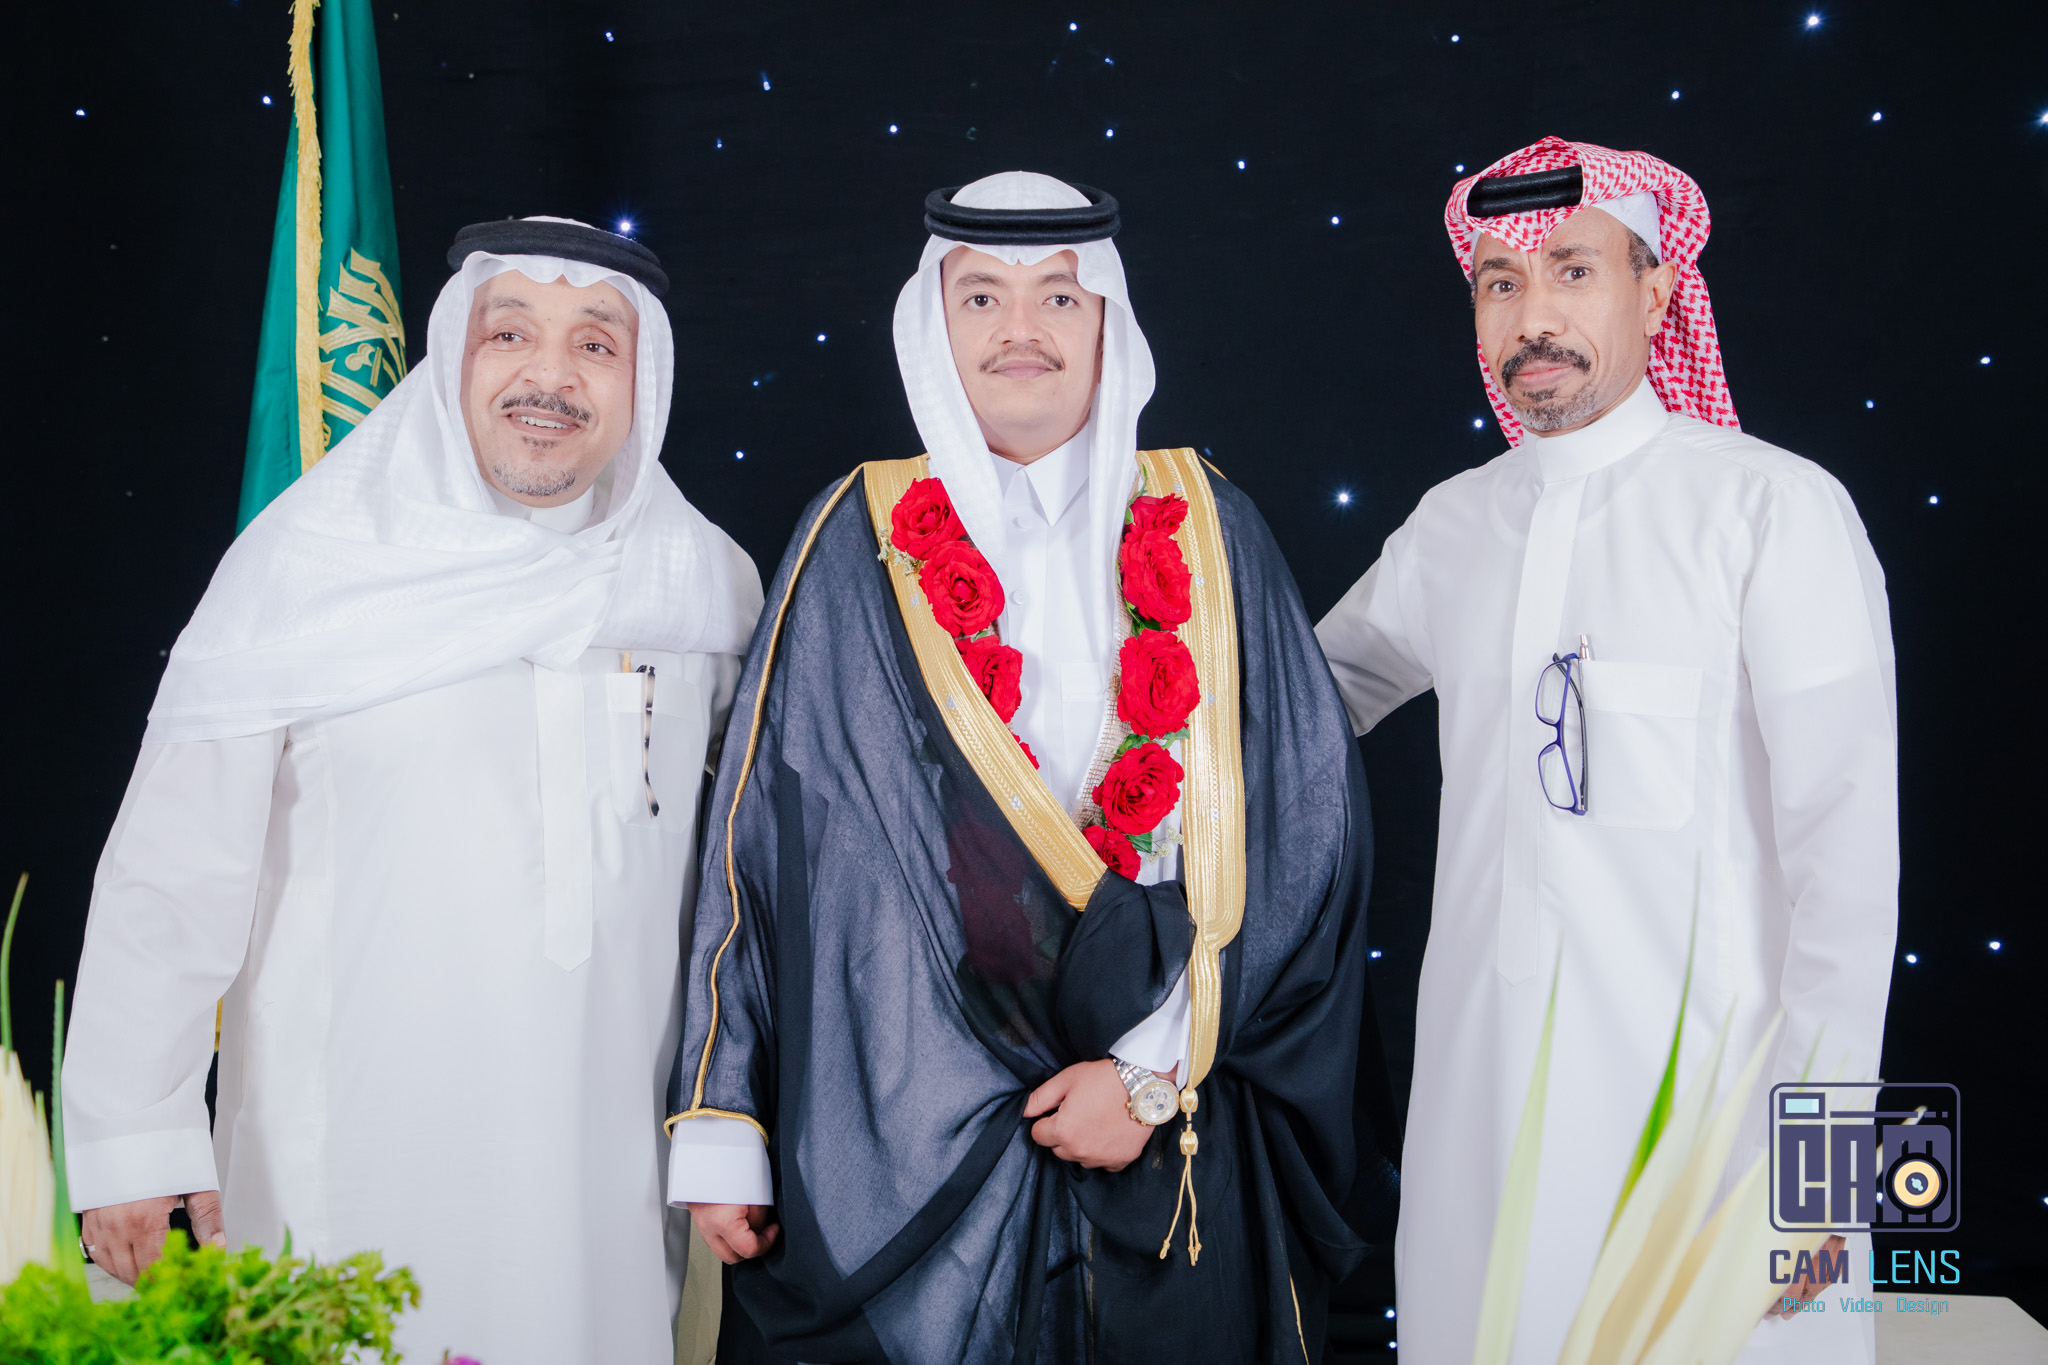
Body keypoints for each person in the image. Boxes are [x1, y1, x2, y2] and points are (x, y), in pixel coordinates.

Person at [666, 171, 1399, 1363]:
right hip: (906, 1113)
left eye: (1058, 296)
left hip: (1169, 1108)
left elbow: (1307, 825)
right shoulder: (852, 535)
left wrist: (1151, 1071)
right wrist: (724, 1120)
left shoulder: (1210, 523)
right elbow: (758, 849)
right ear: (932, 326)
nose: (1020, 329)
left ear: (1107, 320)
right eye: (981, 297)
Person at [62, 218, 762, 1364]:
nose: (549, 375)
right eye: (509, 334)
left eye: (595, 344)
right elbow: (170, 877)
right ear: (452, 359)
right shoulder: (307, 570)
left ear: (643, 381)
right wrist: (133, 1140)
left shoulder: (705, 590)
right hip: (345, 1164)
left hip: (609, 1186)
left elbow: (753, 896)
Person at [1315, 137, 1897, 1362]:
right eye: (1499, 282)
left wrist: (1820, 1172)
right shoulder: (1453, 524)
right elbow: (1294, 706)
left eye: (1572, 271)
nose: (1533, 317)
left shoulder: (1769, 508)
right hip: (1479, 1113)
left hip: (1714, 1137)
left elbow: (1847, 866)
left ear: (1656, 291)